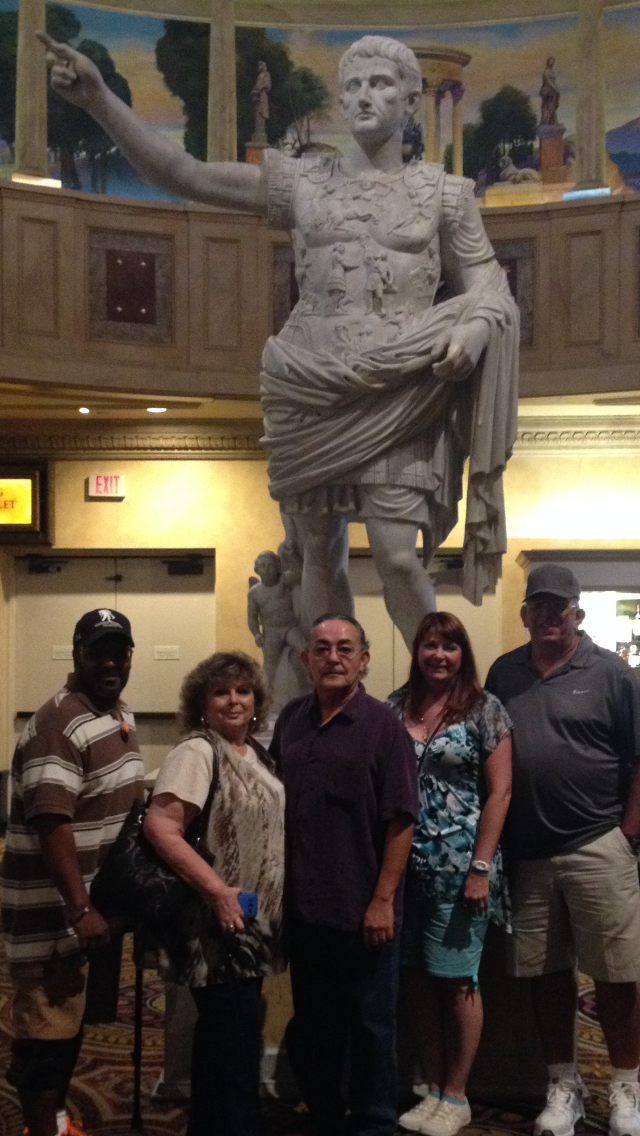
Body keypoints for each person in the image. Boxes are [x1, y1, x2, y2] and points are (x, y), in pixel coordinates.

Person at [38, 31, 519, 648]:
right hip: (309, 381)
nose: (363, 96)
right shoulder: (301, 182)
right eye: (352, 86)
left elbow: (489, 287)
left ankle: (447, 695)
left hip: (404, 386)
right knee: (317, 554)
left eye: (379, 84)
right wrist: (100, 101)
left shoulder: (447, 195)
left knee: (399, 557)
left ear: (408, 97)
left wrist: (477, 329)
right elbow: (183, 173)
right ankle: (329, 695)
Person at [485, 564, 640, 1136]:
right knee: (547, 975)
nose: (550, 616)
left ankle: (626, 1089)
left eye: (560, 607)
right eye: (539, 607)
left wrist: (628, 831)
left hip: (599, 841)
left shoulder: (611, 673)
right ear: (525, 614)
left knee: (617, 974)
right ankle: (563, 1087)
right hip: (529, 853)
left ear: (578, 613)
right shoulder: (504, 672)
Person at [270, 614, 419, 1136]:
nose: (333, 657)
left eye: (345, 649)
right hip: (306, 910)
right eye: (322, 648)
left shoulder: (384, 728)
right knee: (315, 1025)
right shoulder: (290, 720)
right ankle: (325, 1116)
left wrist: (382, 901)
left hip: (365, 913)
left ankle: (374, 1124)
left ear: (364, 660)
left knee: (373, 1027)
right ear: (306, 659)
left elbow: (402, 819)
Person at [0, 608, 143, 1136]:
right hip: (54, 922)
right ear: (78, 653)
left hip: (92, 918)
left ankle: (57, 1122)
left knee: (71, 1029)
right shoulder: (58, 724)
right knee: (43, 1046)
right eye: (97, 652)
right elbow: (51, 820)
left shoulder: (114, 713)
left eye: (119, 651)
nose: (110, 662)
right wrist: (79, 906)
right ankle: (42, 1127)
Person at [143, 651, 284, 1136]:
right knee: (236, 1043)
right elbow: (160, 828)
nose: (233, 700)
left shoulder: (255, 753)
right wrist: (218, 891)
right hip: (213, 923)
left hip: (250, 924)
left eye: (242, 691)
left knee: (224, 1040)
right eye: (221, 691)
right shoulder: (198, 752)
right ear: (201, 702)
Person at [387, 612, 512, 1136]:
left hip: (463, 870)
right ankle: (434, 1086)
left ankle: (458, 1095)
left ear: (464, 654)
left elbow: (501, 792)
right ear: (417, 650)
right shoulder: (394, 706)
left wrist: (481, 867)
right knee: (415, 978)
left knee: (457, 978)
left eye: (451, 646)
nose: (440, 655)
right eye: (430, 645)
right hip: (405, 869)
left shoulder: (485, 709)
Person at [247, 549, 307, 691]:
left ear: (277, 566)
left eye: (270, 565)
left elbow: (301, 574)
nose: (267, 570)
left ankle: (307, 689)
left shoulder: (284, 580)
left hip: (290, 627)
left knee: (306, 651)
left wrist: (292, 554)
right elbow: (252, 617)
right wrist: (256, 634)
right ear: (257, 569)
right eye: (263, 566)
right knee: (269, 666)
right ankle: (266, 698)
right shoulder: (255, 592)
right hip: (271, 631)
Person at [540, 57, 560, 126]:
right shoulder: (546, 72)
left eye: (553, 62)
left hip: (553, 91)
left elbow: (554, 82)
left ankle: (554, 122)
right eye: (551, 61)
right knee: (548, 107)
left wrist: (556, 89)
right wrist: (555, 88)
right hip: (547, 92)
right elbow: (549, 82)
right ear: (548, 62)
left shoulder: (552, 72)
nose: (552, 63)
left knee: (553, 107)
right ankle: (545, 122)